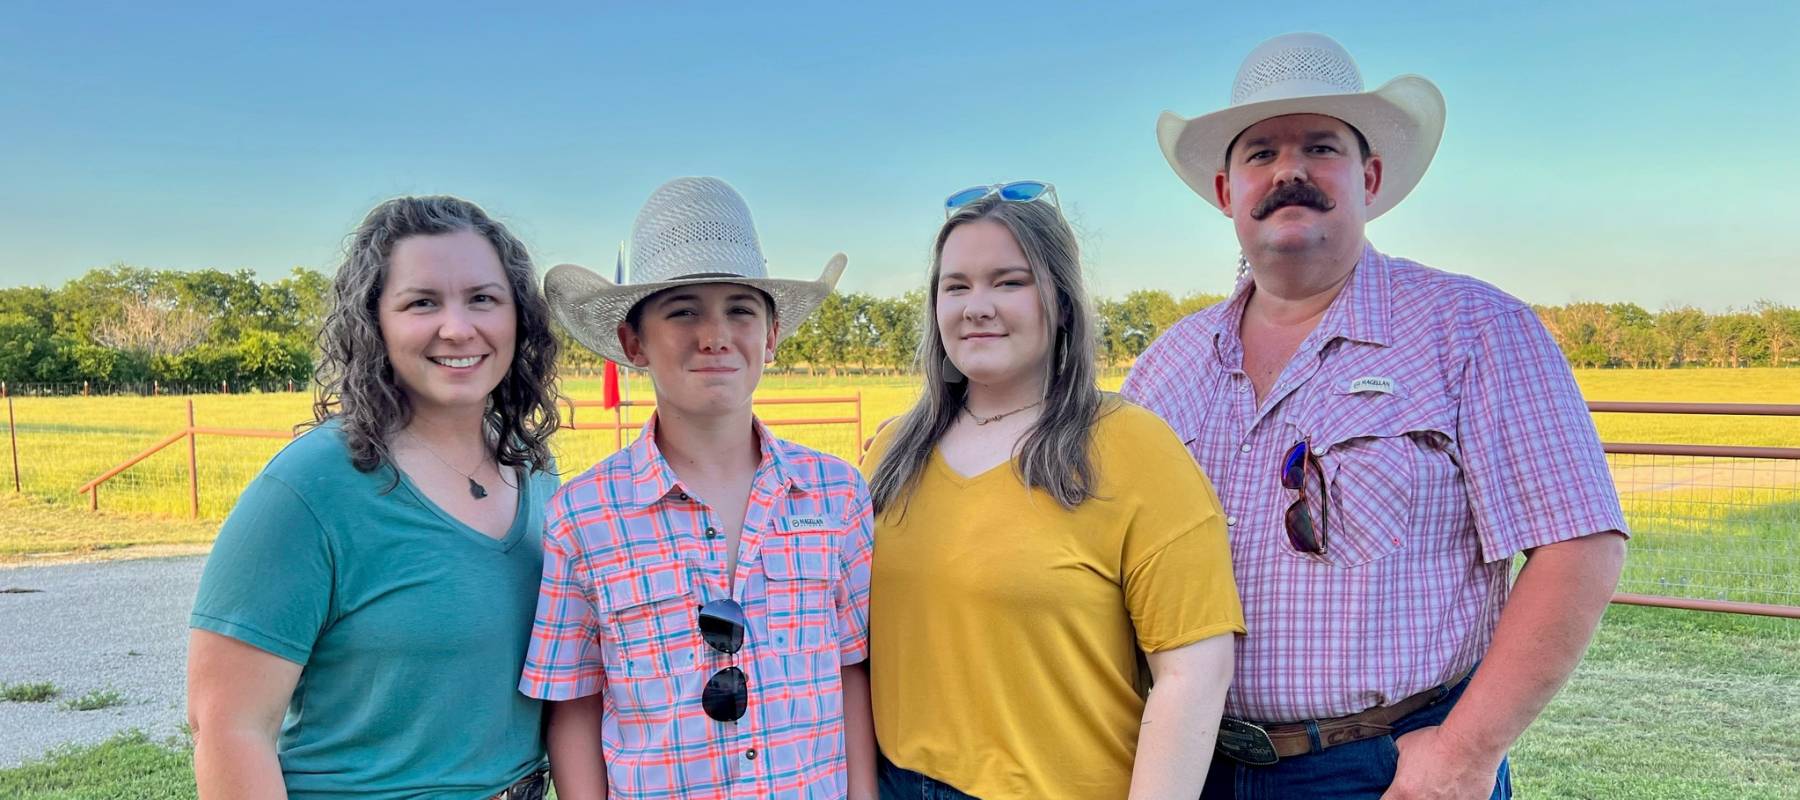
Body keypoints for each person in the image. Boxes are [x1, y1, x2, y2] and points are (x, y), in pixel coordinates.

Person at [1125, 32, 1630, 799]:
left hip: (1386, 766)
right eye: (1260, 153)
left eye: (1319, 147)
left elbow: (1579, 546)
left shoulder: (1474, 329)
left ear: (1369, 176)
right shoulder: (1166, 366)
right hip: (1191, 763)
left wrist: (1463, 754)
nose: (1289, 170)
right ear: (1228, 193)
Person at [863, 181, 1244, 799]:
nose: (976, 306)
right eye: (955, 285)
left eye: (1008, 282)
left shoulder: (1135, 449)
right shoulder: (892, 452)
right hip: (899, 783)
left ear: (1062, 302)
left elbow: (1193, 675)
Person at [187, 195, 563, 800]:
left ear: (518, 317)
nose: (458, 327)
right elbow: (228, 725)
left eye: (483, 298)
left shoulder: (536, 471)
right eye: (422, 302)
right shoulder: (307, 489)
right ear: (374, 322)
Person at [520, 176, 876, 800]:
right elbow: (575, 703)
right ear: (633, 342)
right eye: (683, 310)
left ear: (771, 335)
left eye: (740, 309)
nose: (714, 335)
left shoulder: (837, 495)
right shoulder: (582, 516)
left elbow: (851, 671)